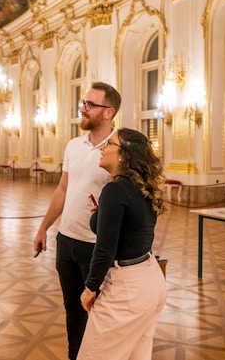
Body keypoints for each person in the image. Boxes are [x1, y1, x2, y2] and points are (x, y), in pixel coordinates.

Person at [33, 81, 122, 360]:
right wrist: (44, 227)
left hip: (97, 246)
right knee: (73, 308)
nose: (83, 109)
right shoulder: (74, 145)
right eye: (83, 103)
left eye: (90, 104)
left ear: (108, 112)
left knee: (101, 311)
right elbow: (63, 189)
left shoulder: (120, 148)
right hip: (66, 241)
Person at [77, 128, 167, 360]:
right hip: (151, 281)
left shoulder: (115, 189)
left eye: (109, 143)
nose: (102, 147)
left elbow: (105, 249)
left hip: (127, 289)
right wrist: (103, 214)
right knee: (137, 355)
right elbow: (133, 227)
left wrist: (90, 288)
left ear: (122, 155)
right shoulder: (141, 187)